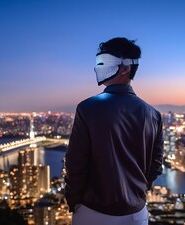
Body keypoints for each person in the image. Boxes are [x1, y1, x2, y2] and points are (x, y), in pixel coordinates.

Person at [65, 37, 164, 225]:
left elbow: (76, 162)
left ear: (126, 68)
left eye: (105, 62)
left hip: (92, 212)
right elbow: (156, 165)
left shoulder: (88, 108)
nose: (98, 68)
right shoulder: (153, 114)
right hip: (137, 214)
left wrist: (74, 200)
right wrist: (138, 192)